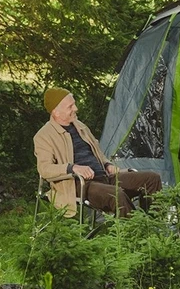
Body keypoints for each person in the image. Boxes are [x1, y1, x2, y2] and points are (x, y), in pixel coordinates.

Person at [34, 87, 162, 218]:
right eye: (70, 107)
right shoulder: (44, 136)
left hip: (104, 177)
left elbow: (98, 153)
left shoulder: (80, 126)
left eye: (74, 104)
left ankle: (154, 223)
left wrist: (107, 164)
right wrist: (72, 168)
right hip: (78, 184)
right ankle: (133, 229)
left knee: (152, 179)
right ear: (56, 112)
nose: (76, 108)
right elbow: (44, 168)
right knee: (117, 195)